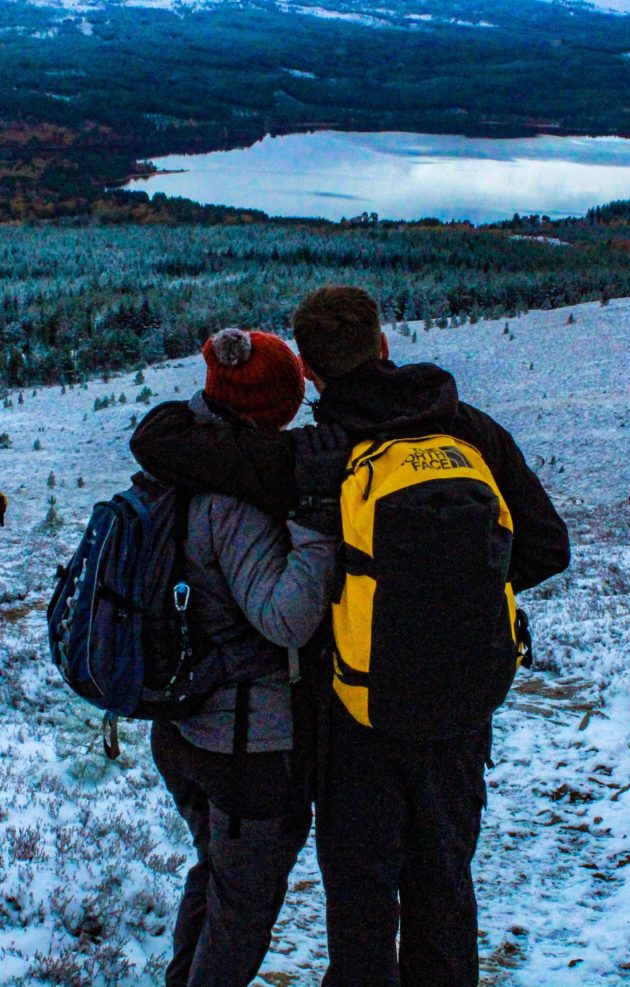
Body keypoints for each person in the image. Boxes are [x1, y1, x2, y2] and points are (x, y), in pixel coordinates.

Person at [131, 286, 571, 986]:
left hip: (353, 719)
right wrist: (450, 597)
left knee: (363, 904)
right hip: (460, 708)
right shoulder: (470, 430)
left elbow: (157, 442)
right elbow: (548, 546)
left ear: (310, 371)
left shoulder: (313, 454)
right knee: (445, 887)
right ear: (385, 343)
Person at [146, 327, 340, 987]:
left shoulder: (177, 459)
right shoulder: (233, 502)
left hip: (182, 726)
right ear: (272, 407)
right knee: (242, 912)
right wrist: (315, 522)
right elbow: (285, 618)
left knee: (214, 874)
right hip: (243, 746)